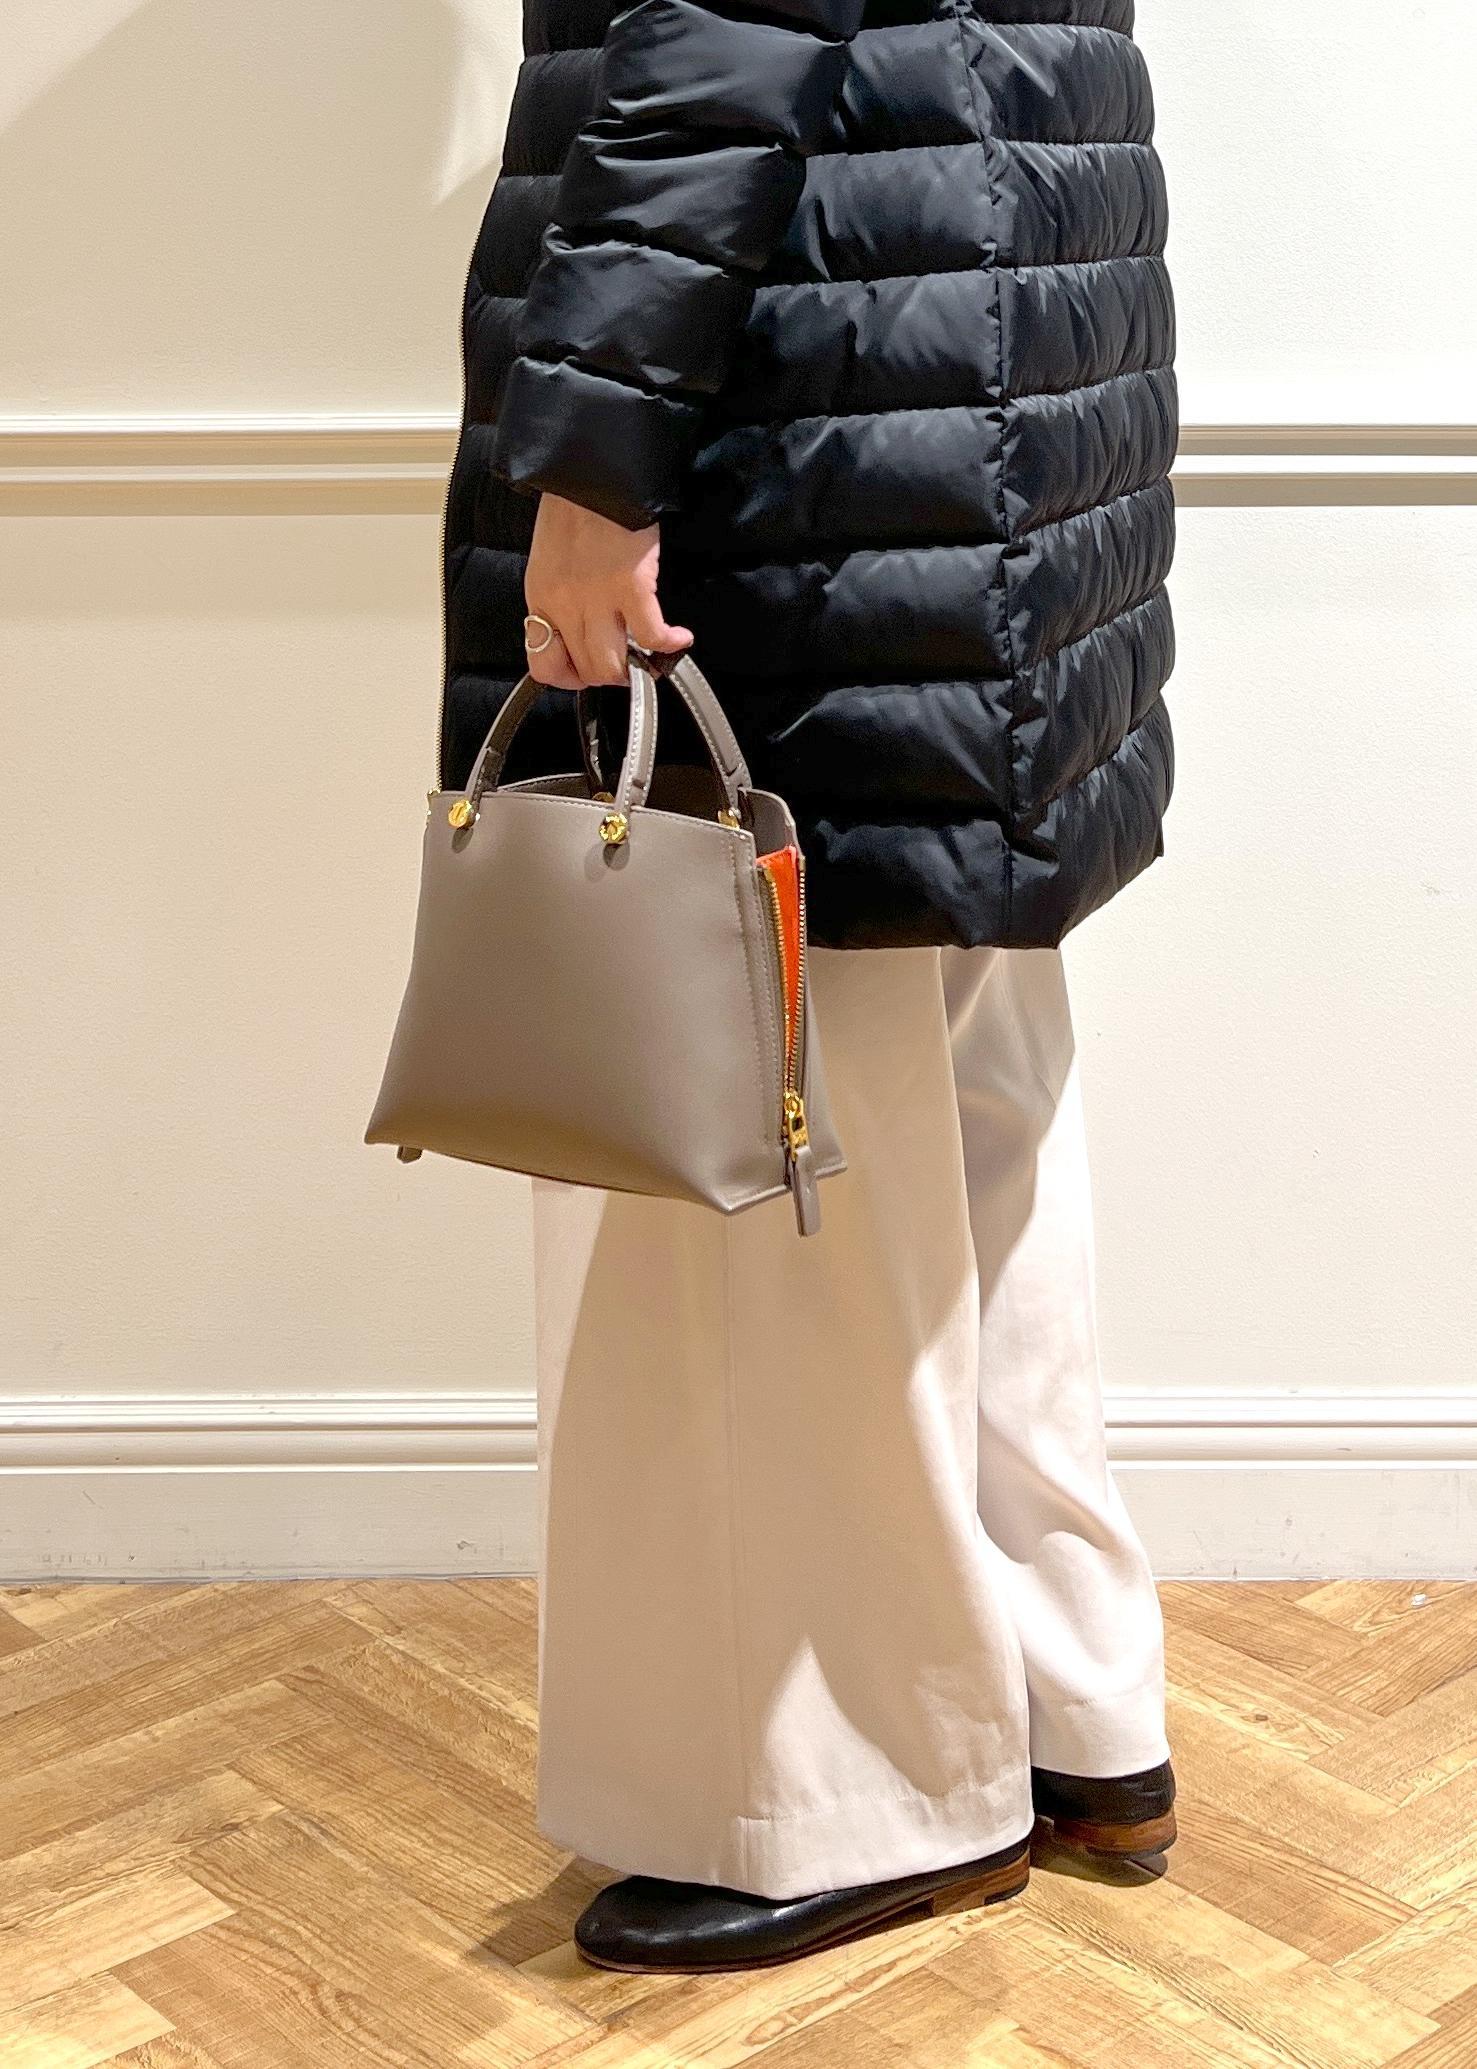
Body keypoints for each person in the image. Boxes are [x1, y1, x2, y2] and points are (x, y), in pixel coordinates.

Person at [441, 0, 1178, 1973]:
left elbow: (717, 37)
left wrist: (595, 458)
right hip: (966, 395)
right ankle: (1065, 1701)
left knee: (769, 1168)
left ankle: (855, 1786)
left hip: (806, 427)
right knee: (957, 1110)